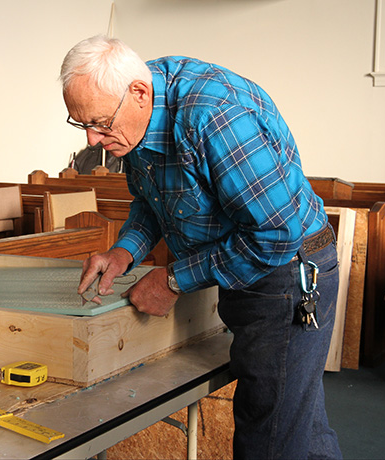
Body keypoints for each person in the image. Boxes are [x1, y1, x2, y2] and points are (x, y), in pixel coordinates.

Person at [60, 35, 343, 460]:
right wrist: (124, 252)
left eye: (100, 123)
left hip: (286, 272)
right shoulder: (133, 112)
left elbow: (276, 233)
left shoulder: (214, 116)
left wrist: (174, 280)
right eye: (81, 124)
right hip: (244, 263)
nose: (93, 141)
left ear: (139, 93)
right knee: (297, 424)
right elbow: (153, 202)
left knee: (269, 438)